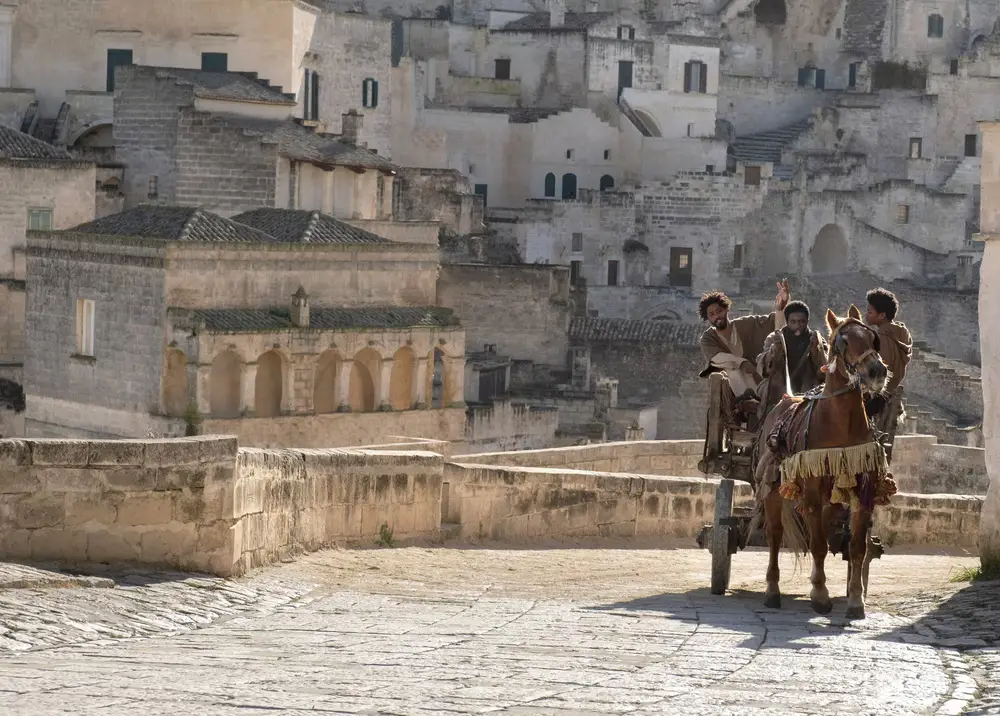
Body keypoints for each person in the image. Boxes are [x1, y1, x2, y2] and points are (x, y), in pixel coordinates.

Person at [699, 279, 791, 411]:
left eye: (719, 311)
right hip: (734, 389)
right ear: (707, 318)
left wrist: (781, 307)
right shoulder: (708, 338)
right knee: (733, 370)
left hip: (761, 377)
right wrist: (742, 363)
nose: (717, 316)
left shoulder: (747, 324)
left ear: (726, 309)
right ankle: (750, 403)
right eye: (712, 314)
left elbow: (775, 325)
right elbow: (717, 358)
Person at [864, 287, 913, 445]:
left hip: (878, 400)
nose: (866, 314)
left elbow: (879, 373)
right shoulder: (902, 333)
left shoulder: (881, 339)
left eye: (870, 312)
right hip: (892, 396)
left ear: (882, 315)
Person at [756, 300, 828, 395]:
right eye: (793, 322)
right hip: (779, 388)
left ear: (807, 321)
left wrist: (816, 351)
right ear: (787, 321)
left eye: (802, 322)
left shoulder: (817, 340)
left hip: (809, 388)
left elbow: (824, 372)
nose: (798, 325)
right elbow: (763, 369)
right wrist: (773, 353)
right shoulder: (774, 338)